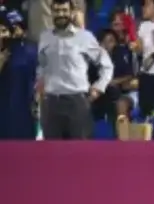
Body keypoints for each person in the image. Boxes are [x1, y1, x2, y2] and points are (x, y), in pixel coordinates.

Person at [37, 0, 113, 139]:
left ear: (72, 12)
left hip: (77, 103)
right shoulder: (45, 37)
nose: (61, 14)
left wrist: (98, 88)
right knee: (51, 151)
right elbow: (42, 66)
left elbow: (106, 65)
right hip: (51, 104)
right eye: (57, 11)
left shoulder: (84, 37)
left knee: (80, 151)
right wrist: (39, 89)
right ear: (51, 12)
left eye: (64, 10)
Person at [0, 9, 37, 140]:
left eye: (18, 27)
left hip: (23, 110)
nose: (16, 32)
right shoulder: (5, 54)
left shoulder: (31, 52)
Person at [132, 0, 154, 118]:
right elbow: (140, 50)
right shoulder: (143, 26)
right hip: (146, 75)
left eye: (146, 5)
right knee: (146, 110)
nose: (143, 8)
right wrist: (135, 46)